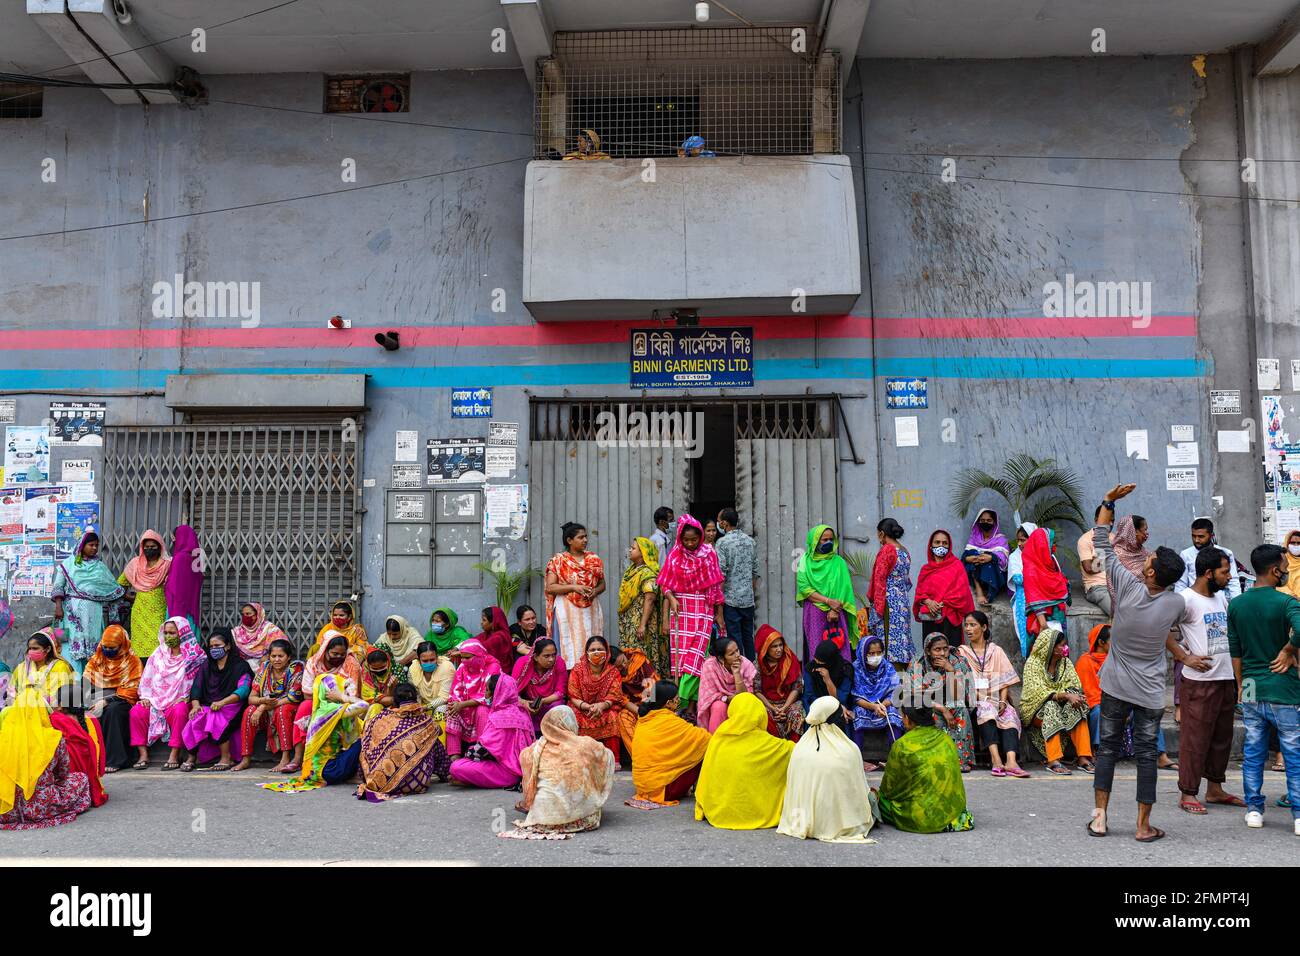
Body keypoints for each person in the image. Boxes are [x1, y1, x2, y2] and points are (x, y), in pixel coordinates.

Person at [1088, 483, 1186, 841]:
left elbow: (1101, 539)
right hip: (1148, 692)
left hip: (1114, 684)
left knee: (1108, 750)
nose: (1144, 558)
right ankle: (1143, 826)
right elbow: (1168, 635)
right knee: (1147, 754)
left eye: (1148, 560)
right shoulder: (1175, 603)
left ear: (1148, 573)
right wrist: (1187, 656)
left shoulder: (1126, 587)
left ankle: (1100, 818)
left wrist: (1109, 501)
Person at [1228, 544, 1300, 833]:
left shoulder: (1236, 604)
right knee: (1293, 753)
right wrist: (1288, 649)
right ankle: (1298, 815)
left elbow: (1235, 651)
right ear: (1274, 570)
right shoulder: (1287, 602)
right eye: (1284, 566)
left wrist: (1239, 686)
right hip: (1283, 687)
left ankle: (1254, 810)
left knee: (1254, 750)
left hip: (1250, 686)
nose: (1285, 571)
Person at [1171, 546, 1244, 815]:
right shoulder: (1185, 599)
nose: (1229, 577)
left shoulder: (1221, 599)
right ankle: (1188, 792)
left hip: (1224, 678)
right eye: (1225, 572)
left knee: (1221, 738)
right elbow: (1162, 628)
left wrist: (1238, 680)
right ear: (1208, 572)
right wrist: (1184, 656)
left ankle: (1214, 789)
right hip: (1199, 682)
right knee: (1195, 739)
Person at [504, 705, 616, 840]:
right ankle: (582, 807)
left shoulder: (534, 749)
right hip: (583, 821)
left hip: (541, 821)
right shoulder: (585, 744)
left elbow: (523, 758)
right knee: (603, 758)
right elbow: (608, 757)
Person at [776, 695, 876, 842]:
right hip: (841, 823)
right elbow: (857, 792)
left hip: (799, 821)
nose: (844, 716)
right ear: (833, 717)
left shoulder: (800, 748)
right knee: (872, 797)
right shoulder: (849, 749)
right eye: (840, 713)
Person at [695, 692, 795, 829]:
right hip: (759, 813)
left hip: (718, 811)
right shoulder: (772, 745)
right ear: (759, 713)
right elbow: (793, 751)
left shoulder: (719, 737)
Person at [656, 515, 725, 711]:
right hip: (681, 611)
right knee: (681, 659)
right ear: (680, 538)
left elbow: (715, 586)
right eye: (686, 540)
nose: (690, 543)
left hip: (703, 609)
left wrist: (719, 614)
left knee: (696, 658)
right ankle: (688, 707)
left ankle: (684, 703)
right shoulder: (674, 556)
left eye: (693, 539)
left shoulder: (709, 554)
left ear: (700, 537)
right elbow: (665, 585)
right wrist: (671, 599)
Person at [263, 671, 367, 793]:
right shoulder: (331, 711)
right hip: (328, 770)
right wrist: (342, 697)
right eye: (338, 688)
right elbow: (364, 705)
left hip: (314, 771)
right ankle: (357, 774)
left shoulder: (321, 710)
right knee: (365, 738)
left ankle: (352, 773)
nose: (342, 691)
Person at [877, 705, 974, 833]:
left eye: (902, 715)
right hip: (952, 813)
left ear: (908, 718)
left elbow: (888, 789)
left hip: (920, 817)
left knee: (879, 799)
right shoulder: (946, 739)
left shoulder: (902, 745)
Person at [0, 698, 92, 831]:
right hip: (39, 807)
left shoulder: (3, 737)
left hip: (6, 809)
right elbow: (63, 773)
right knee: (81, 778)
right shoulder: (53, 737)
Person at [957, 611, 1027, 777]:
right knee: (987, 709)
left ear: (984, 627)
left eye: (972, 625)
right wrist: (987, 700)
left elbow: (1005, 681)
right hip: (976, 701)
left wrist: (1002, 702)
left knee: (1009, 713)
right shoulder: (962, 652)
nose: (968, 629)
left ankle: (1011, 761)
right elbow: (962, 684)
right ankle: (996, 760)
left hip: (997, 698)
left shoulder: (996, 651)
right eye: (966, 625)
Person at [355, 681, 451, 801]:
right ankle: (445, 772)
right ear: (416, 699)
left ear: (394, 701)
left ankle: (367, 777)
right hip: (418, 783)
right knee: (432, 740)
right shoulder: (426, 721)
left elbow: (366, 745)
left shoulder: (381, 718)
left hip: (380, 783)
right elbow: (439, 740)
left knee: (367, 740)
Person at [1020, 623, 1093, 774]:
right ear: (1050, 647)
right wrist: (1065, 695)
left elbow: (1074, 685)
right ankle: (1053, 760)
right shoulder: (1033, 664)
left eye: (1064, 645)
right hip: (1035, 710)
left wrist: (1071, 696)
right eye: (1061, 645)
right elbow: (1038, 693)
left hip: (1062, 707)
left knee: (1077, 707)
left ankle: (1083, 757)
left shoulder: (1065, 663)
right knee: (1051, 707)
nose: (1064, 648)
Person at [51, 530, 126, 673]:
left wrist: (126, 597)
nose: (94, 548)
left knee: (94, 644)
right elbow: (58, 586)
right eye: (91, 545)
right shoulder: (68, 564)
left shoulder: (99, 567)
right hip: (72, 612)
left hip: (94, 613)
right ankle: (73, 677)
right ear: (81, 545)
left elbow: (112, 588)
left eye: (96, 545)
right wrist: (58, 607)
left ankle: (91, 679)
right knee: (72, 643)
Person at [180, 628, 253, 771]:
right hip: (209, 704)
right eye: (211, 646)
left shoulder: (240, 666)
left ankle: (226, 758)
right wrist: (195, 705)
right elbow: (196, 688)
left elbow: (244, 690)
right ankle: (191, 757)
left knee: (216, 718)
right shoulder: (206, 666)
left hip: (232, 704)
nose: (213, 649)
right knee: (196, 718)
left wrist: (222, 702)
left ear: (228, 646)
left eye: (217, 646)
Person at [629, 680, 711, 806]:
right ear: (668, 703)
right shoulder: (669, 721)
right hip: (663, 790)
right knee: (701, 748)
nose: (678, 702)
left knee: (690, 746)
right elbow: (705, 739)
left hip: (643, 786)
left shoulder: (644, 719)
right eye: (677, 699)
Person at [448, 674, 535, 788]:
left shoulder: (498, 717)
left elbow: (482, 750)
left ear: (498, 693)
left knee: (456, 767)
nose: (485, 694)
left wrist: (466, 758)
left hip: (507, 773)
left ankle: (469, 779)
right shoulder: (523, 712)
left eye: (487, 690)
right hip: (523, 768)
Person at [234, 638, 305, 774]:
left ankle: (285, 757)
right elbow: (251, 698)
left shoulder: (296, 669)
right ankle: (246, 758)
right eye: (273, 656)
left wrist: (262, 707)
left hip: (288, 709)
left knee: (282, 710)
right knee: (249, 711)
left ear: (288, 657)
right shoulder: (264, 669)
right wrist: (262, 702)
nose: (276, 660)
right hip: (267, 710)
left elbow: (292, 698)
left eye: (281, 656)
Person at [545, 522, 606, 668]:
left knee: (589, 639)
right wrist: (574, 587)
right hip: (566, 609)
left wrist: (594, 592)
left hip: (590, 608)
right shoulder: (558, 561)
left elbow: (602, 585)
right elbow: (550, 587)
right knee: (568, 644)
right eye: (580, 537)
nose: (585, 540)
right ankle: (568, 678)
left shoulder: (594, 559)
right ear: (569, 540)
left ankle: (591, 675)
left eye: (586, 537)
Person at [912, 632, 975, 772]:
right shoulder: (918, 663)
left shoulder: (958, 661)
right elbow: (915, 694)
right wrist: (942, 709)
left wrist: (951, 671)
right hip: (928, 703)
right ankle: (937, 759)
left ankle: (961, 759)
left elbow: (961, 694)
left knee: (960, 710)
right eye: (937, 649)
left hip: (952, 699)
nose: (943, 653)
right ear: (928, 651)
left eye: (945, 649)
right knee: (933, 715)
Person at [82, 624, 141, 773]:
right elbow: (86, 684)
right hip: (97, 697)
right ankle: (89, 759)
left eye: (112, 647)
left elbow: (132, 689)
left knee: (112, 711)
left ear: (122, 645)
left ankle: (116, 760)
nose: (108, 650)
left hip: (122, 699)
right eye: (105, 646)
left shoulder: (132, 661)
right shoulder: (96, 660)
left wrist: (106, 701)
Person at [801, 523, 861, 661]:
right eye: (824, 540)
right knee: (816, 647)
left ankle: (842, 679)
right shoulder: (804, 562)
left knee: (839, 647)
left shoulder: (838, 562)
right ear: (815, 541)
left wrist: (835, 609)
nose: (828, 542)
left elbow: (843, 588)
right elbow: (804, 588)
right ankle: (818, 680)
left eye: (831, 539)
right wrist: (828, 601)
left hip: (837, 611)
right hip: (814, 611)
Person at [294, 633, 362, 754]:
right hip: (318, 702)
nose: (339, 657)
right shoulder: (313, 663)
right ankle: (299, 756)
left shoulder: (352, 664)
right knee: (304, 707)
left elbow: (353, 694)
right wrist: (326, 696)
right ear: (325, 650)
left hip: (343, 703)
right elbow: (307, 692)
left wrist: (337, 697)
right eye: (334, 654)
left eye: (342, 654)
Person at [48, 684, 107, 810]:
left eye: (55, 698)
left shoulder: (55, 719)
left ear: (60, 705)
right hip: (91, 780)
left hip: (68, 781)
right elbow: (100, 749)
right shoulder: (91, 719)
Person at [913, 529, 976, 647]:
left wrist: (940, 604)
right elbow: (920, 593)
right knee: (932, 652)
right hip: (930, 618)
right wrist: (928, 602)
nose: (941, 545)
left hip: (950, 619)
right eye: (937, 542)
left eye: (944, 543)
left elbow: (962, 593)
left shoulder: (957, 566)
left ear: (949, 545)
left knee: (951, 652)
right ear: (931, 546)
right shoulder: (925, 569)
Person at [116, 529, 172, 659]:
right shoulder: (135, 564)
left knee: (159, 646)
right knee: (139, 651)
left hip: (159, 610)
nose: (149, 549)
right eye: (146, 547)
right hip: (139, 613)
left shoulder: (167, 564)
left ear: (159, 547)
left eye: (153, 547)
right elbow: (119, 586)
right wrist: (130, 598)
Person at [567, 636, 623, 763]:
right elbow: (573, 695)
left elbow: (614, 695)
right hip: (581, 707)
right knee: (573, 717)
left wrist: (601, 706)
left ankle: (612, 760)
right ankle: (579, 759)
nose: (596, 653)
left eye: (599, 649)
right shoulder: (577, 670)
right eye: (592, 650)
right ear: (586, 653)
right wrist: (588, 707)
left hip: (604, 708)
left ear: (607, 652)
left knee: (612, 716)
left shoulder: (613, 672)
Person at [618, 537, 669, 677]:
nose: (630, 550)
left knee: (643, 657)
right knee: (631, 656)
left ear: (644, 553)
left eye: (633, 548)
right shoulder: (632, 571)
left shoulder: (648, 573)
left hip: (642, 624)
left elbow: (650, 598)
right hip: (631, 623)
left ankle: (648, 695)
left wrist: (642, 625)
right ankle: (635, 692)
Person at [445, 638, 502, 759]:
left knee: (481, 710)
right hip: (466, 704)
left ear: (478, 655)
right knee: (451, 710)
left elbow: (488, 696)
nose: (464, 661)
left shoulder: (492, 667)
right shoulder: (462, 667)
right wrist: (456, 704)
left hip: (488, 706)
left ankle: (482, 750)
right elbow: (456, 689)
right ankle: (454, 757)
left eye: (467, 657)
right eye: (462, 657)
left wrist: (462, 705)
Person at [851, 635, 902, 771]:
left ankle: (894, 758)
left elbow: (895, 691)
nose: (876, 656)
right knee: (858, 713)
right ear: (863, 653)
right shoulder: (855, 669)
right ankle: (858, 760)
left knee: (893, 713)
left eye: (879, 652)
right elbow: (855, 696)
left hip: (883, 704)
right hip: (865, 705)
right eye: (871, 653)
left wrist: (883, 705)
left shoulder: (887, 667)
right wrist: (873, 706)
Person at [715, 507, 759, 660]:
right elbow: (755, 573)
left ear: (725, 523)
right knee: (748, 637)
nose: (718, 524)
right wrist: (749, 593)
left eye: (719, 521)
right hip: (748, 600)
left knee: (735, 639)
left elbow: (720, 576)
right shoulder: (750, 541)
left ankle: (739, 670)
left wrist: (719, 610)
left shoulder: (722, 543)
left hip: (731, 601)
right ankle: (752, 670)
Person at [865, 519, 909, 665]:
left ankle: (889, 680)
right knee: (900, 643)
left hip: (887, 603)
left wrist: (876, 609)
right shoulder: (904, 551)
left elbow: (879, 581)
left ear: (882, 534)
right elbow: (907, 582)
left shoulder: (887, 550)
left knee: (886, 642)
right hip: (902, 602)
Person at [698, 635, 757, 734]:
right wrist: (728, 699)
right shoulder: (710, 666)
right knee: (719, 707)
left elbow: (745, 696)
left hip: (740, 701)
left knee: (748, 706)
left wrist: (737, 674)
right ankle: (715, 741)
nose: (737, 655)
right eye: (732, 654)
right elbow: (709, 696)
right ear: (721, 658)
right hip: (720, 702)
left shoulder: (745, 663)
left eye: (737, 650)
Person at [1021, 526, 1070, 644]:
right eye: (1050, 543)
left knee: (1060, 653)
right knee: (1044, 656)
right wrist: (1043, 625)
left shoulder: (1049, 564)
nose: (1052, 547)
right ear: (1041, 545)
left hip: (1058, 617)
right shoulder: (1031, 569)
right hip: (1042, 622)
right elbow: (1034, 597)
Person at [1176, 518, 1245, 600]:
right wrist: (1181, 603)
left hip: (1219, 599)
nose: (1196, 540)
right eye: (1193, 536)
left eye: (1201, 537)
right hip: (1195, 600)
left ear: (1211, 535)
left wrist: (1236, 603)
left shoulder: (1225, 553)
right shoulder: (1186, 554)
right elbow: (1181, 583)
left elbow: (1233, 581)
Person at [756, 625, 804, 740]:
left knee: (797, 713)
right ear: (766, 648)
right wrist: (772, 708)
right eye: (774, 646)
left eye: (780, 645)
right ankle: (773, 749)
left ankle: (793, 748)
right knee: (762, 714)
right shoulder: (758, 665)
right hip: (768, 703)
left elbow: (796, 688)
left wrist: (784, 708)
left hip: (788, 702)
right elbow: (756, 691)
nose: (779, 649)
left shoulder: (791, 660)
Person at [7, 629, 75, 711]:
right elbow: (11, 690)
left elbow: (62, 697)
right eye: (29, 648)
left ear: (48, 649)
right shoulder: (22, 667)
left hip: (49, 711)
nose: (31, 651)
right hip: (21, 709)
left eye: (35, 648)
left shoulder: (60, 667)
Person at [512, 638, 567, 731]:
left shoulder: (559, 662)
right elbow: (511, 690)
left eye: (554, 655)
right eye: (546, 656)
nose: (551, 659)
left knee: (559, 708)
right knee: (514, 708)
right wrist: (524, 702)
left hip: (550, 702)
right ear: (536, 657)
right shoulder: (523, 663)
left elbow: (560, 692)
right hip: (528, 703)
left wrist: (542, 701)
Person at [612, 643, 657, 757]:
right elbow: (623, 700)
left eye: (623, 660)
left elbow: (650, 685)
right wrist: (640, 712)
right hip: (633, 708)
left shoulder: (639, 660)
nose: (624, 665)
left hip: (652, 703)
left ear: (623, 654)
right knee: (622, 718)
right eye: (619, 667)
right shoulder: (612, 677)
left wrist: (647, 711)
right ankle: (640, 757)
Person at [804, 638, 854, 733]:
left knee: (841, 717)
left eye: (821, 663)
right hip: (817, 705)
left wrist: (828, 680)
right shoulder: (810, 669)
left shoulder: (845, 670)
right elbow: (809, 695)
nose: (817, 664)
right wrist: (823, 709)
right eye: (816, 660)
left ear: (831, 661)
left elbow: (842, 698)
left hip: (838, 704)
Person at [962, 510, 1009, 606]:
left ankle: (990, 593)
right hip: (976, 570)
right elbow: (964, 556)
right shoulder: (974, 538)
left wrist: (991, 557)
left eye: (989, 520)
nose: (985, 523)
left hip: (994, 574)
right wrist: (970, 558)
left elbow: (1004, 558)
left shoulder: (1000, 539)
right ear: (978, 522)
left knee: (989, 560)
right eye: (982, 520)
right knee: (972, 554)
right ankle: (979, 590)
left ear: (994, 523)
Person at [1006, 522, 1039, 657]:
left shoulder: (1045, 555)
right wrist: (1039, 577)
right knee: (1027, 635)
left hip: (1043, 597)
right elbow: (1018, 579)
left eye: (1023, 540)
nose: (1019, 544)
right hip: (1023, 598)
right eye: (1018, 540)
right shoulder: (1015, 557)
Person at [165, 524, 204, 633]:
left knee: (177, 634)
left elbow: (173, 586)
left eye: (175, 537)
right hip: (191, 606)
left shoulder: (179, 558)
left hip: (178, 606)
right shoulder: (196, 559)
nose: (174, 540)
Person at [410, 641, 455, 725]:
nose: (429, 663)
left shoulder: (447, 667)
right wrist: (418, 707)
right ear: (418, 660)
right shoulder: (414, 669)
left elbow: (444, 698)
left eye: (432, 659)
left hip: (444, 705)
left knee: (439, 714)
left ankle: (439, 737)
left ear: (437, 657)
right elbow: (415, 693)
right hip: (423, 706)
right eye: (425, 661)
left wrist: (427, 707)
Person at [1078, 507, 1113, 617]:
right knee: (1117, 611)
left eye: (1113, 520)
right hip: (1097, 587)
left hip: (1117, 585)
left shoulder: (1115, 538)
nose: (1111, 524)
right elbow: (1089, 568)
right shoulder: (1085, 540)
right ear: (1096, 520)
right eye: (1107, 520)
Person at [231, 602, 286, 668]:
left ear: (257, 614)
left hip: (264, 665)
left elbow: (283, 645)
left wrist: (268, 656)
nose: (245, 617)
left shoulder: (269, 628)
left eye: (248, 614)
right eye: (243, 614)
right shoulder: (238, 631)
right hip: (242, 666)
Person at [359, 647, 399, 716]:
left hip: (395, 707)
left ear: (388, 662)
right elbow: (370, 699)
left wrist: (394, 686)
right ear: (368, 666)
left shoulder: (396, 669)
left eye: (382, 667)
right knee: (376, 707)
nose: (378, 670)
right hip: (372, 707)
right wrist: (391, 697)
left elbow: (402, 693)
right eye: (374, 668)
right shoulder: (365, 676)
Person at [474, 606, 515, 673]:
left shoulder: (500, 636)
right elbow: (472, 641)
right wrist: (457, 648)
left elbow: (481, 647)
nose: (481, 622)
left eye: (484, 620)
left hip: (500, 674)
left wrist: (460, 652)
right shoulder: (487, 634)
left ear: (494, 622)